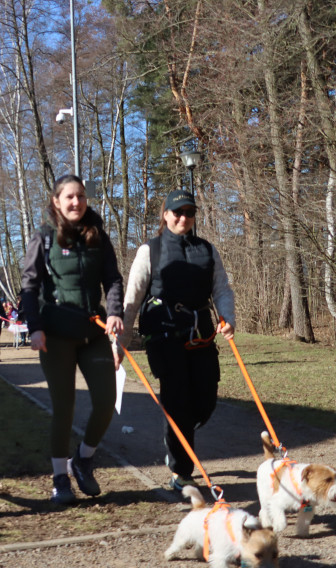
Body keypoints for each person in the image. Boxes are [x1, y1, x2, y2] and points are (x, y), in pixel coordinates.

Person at [120, 189, 235, 492]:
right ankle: (181, 471)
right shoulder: (150, 250)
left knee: (205, 401)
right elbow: (133, 297)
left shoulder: (207, 250)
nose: (184, 218)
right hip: (164, 337)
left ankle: (178, 436)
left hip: (201, 335)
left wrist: (227, 317)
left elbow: (221, 288)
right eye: (177, 212)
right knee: (178, 402)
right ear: (165, 215)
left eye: (189, 212)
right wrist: (121, 341)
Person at [20, 174, 123, 505]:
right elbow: (29, 285)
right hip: (56, 337)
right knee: (64, 409)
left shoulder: (98, 235)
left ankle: (84, 459)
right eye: (69, 197)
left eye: (80, 196)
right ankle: (60, 478)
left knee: (106, 402)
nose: (76, 202)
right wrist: (35, 326)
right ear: (56, 201)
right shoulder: (44, 237)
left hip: (93, 333)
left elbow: (113, 279)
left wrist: (114, 312)